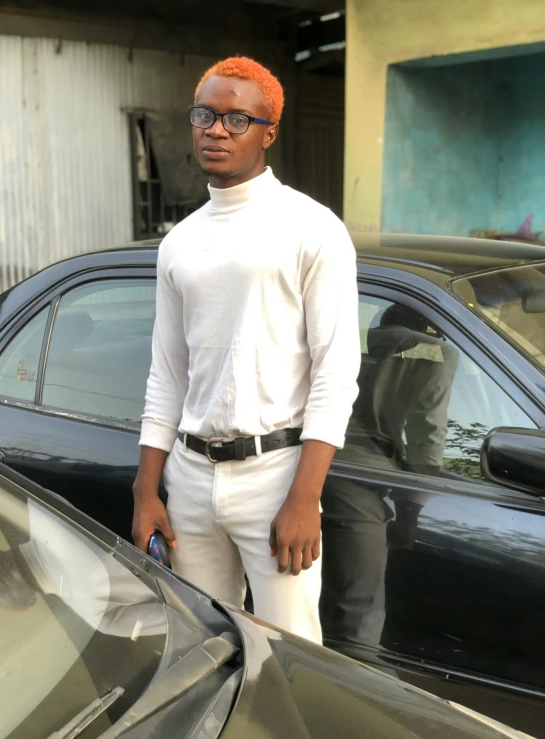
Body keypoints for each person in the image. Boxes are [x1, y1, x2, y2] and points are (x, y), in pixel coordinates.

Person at [131, 57, 360, 643]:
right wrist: (146, 489)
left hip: (275, 476)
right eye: (204, 114)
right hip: (188, 477)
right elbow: (167, 373)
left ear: (269, 132)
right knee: (196, 643)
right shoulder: (178, 244)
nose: (215, 129)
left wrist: (305, 497)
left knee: (291, 654)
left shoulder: (313, 229)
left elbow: (337, 372)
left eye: (236, 119)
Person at [320, 303, 459, 648]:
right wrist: (410, 511)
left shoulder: (349, 341)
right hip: (361, 478)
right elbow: (428, 433)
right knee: (357, 617)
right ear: (427, 330)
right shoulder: (438, 354)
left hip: (316, 461)